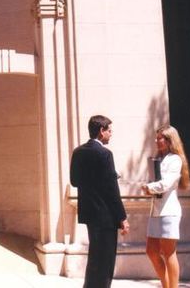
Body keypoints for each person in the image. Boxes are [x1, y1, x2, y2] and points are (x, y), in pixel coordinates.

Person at [70, 114, 130, 288]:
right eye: (109, 131)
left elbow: (75, 181)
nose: (111, 134)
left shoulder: (78, 152)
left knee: (95, 257)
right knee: (105, 261)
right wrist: (122, 217)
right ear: (101, 131)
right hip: (106, 216)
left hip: (89, 214)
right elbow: (112, 191)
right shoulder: (105, 154)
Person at [142, 124, 190, 288]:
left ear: (170, 140)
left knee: (169, 252)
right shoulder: (159, 159)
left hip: (169, 211)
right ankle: (166, 285)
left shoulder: (175, 159)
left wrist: (149, 187)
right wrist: (149, 186)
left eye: (160, 138)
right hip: (155, 210)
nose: (156, 141)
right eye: (156, 138)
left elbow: (167, 183)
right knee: (151, 251)